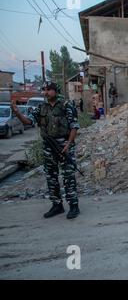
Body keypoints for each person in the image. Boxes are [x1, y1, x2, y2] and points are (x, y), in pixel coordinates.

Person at [11, 82, 81, 219]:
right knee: (51, 177)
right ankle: (57, 205)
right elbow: (28, 122)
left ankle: (74, 206)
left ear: (56, 91)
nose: (46, 92)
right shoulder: (41, 108)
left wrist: (68, 144)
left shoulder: (66, 106)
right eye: (44, 90)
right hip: (49, 146)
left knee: (68, 177)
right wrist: (17, 113)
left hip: (64, 145)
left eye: (49, 90)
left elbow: (74, 126)